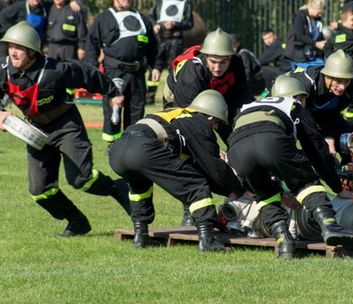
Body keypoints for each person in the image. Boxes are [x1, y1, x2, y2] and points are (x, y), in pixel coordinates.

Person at [0, 21, 131, 237]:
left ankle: (117, 189)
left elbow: (86, 74)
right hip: (35, 131)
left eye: (19, 47)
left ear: (32, 51)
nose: (13, 52)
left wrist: (112, 90)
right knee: (40, 191)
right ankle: (77, 222)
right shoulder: (4, 70)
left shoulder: (54, 70)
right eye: (10, 47)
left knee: (82, 179)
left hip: (66, 126)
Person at [226, 75, 353, 259]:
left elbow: (247, 142)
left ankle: (284, 242)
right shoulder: (294, 105)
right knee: (306, 182)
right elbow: (315, 148)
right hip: (271, 141)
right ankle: (330, 226)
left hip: (236, 152)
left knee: (266, 194)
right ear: (299, 97)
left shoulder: (248, 107)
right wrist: (337, 187)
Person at [109, 90, 251, 250]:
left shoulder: (177, 115)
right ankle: (207, 239)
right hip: (144, 148)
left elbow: (187, 157)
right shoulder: (198, 121)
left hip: (118, 150)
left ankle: (140, 235)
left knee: (140, 189)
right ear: (210, 116)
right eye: (217, 123)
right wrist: (236, 190)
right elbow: (212, 167)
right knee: (196, 185)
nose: (215, 128)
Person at [84, 0, 160, 144]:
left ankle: (131, 146)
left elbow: (153, 48)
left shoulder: (143, 19)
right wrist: (94, 70)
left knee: (136, 112)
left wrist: (155, 66)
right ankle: (113, 146)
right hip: (114, 73)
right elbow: (91, 46)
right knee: (113, 112)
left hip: (137, 75)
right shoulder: (103, 18)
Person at [166, 27, 253, 140]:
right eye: (213, 61)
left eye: (223, 62)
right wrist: (212, 149)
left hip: (218, 90)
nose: (217, 68)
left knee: (232, 127)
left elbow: (243, 96)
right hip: (178, 92)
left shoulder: (236, 62)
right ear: (205, 56)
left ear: (230, 58)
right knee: (184, 133)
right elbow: (185, 114)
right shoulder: (192, 73)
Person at [290, 49, 353, 162]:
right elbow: (298, 117)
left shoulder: (350, 89)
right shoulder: (306, 85)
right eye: (339, 81)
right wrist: (324, 143)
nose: (342, 87)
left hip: (322, 114)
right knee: (318, 148)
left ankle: (350, 176)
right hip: (292, 112)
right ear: (327, 76)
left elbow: (332, 115)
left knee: (351, 140)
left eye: (346, 81)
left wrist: (329, 137)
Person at [148, 0, 193, 105]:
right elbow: (151, 17)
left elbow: (189, 23)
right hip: (159, 40)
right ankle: (149, 98)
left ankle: (174, 97)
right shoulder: (159, 3)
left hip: (176, 42)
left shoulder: (185, 4)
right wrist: (155, 24)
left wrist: (175, 24)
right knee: (154, 69)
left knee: (174, 70)